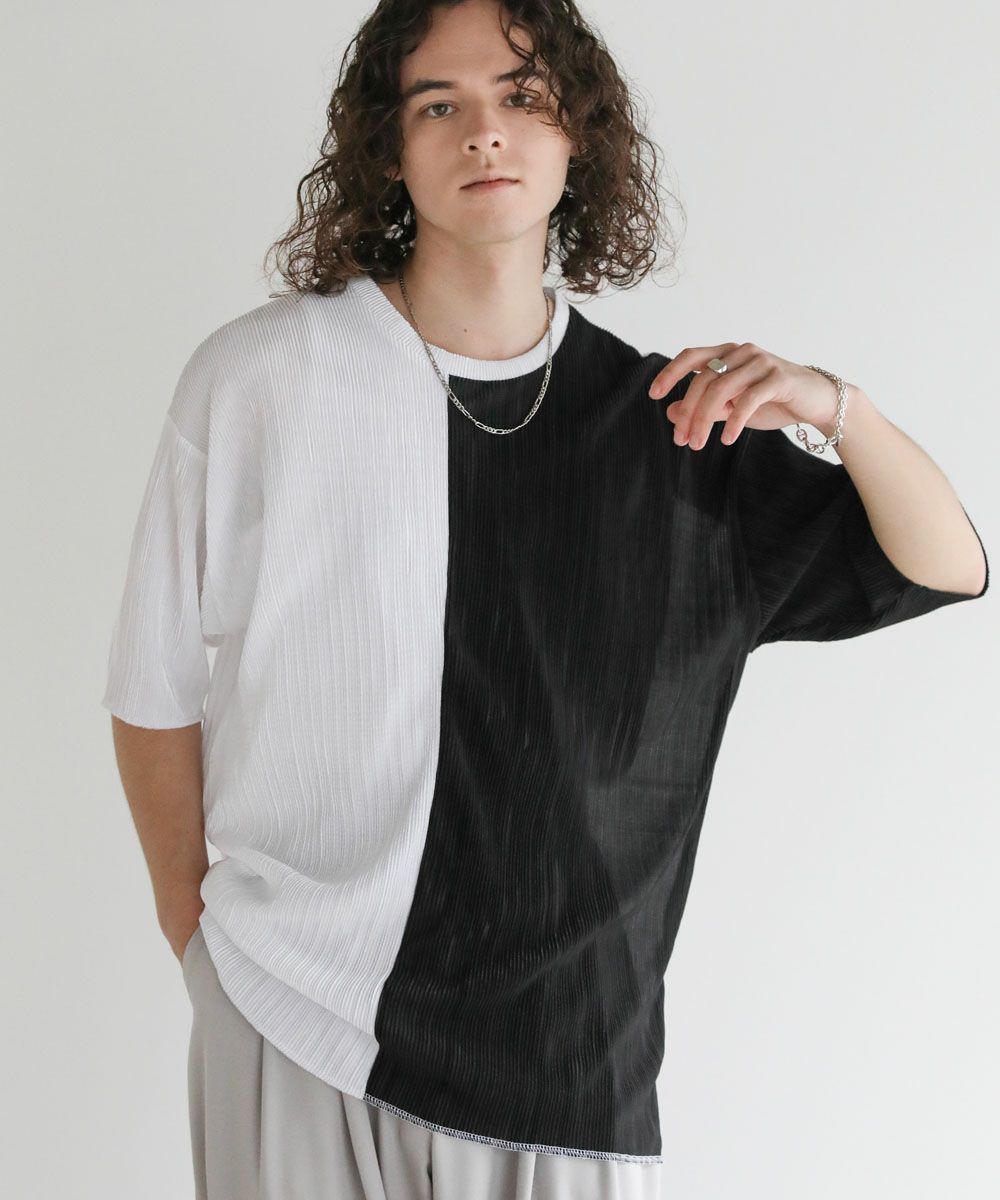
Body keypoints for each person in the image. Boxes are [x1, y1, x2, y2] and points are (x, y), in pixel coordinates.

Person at [101, 1, 989, 1197]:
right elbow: (153, 681)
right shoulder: (262, 379)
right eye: (439, 105)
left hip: (569, 1068)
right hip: (293, 1014)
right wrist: (198, 944)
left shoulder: (676, 429)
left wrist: (839, 407)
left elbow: (944, 565)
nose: (484, 132)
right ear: (388, 146)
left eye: (521, 96)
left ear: (579, 133)